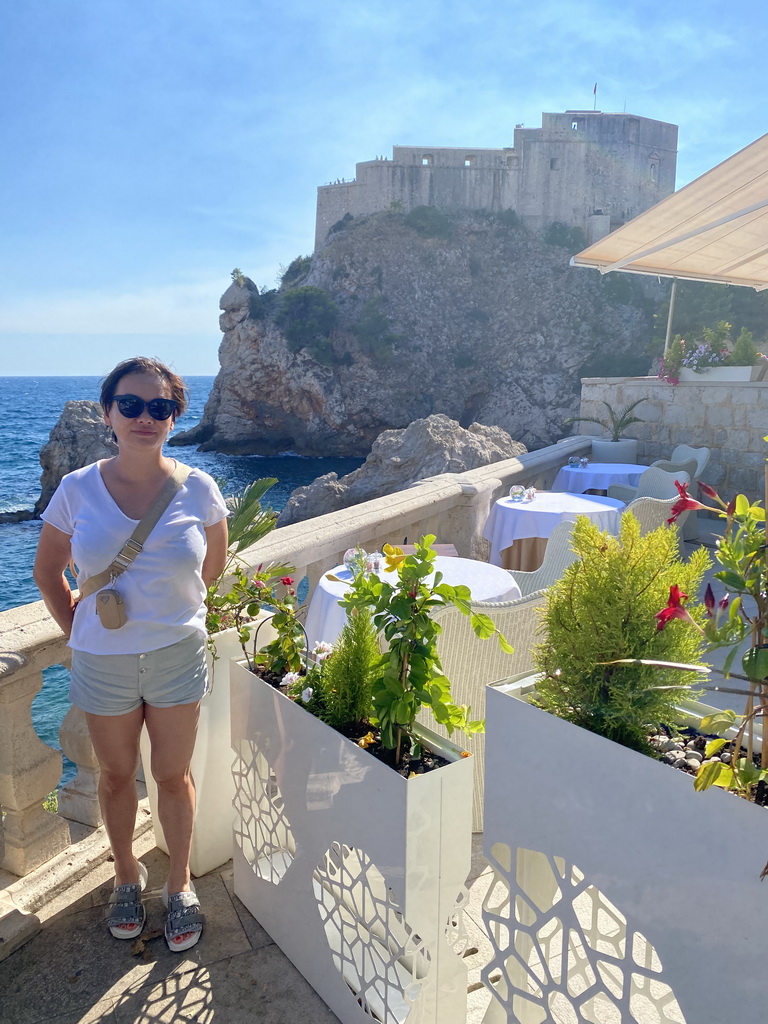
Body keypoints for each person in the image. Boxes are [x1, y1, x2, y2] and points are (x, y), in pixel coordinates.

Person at [33, 357, 229, 952]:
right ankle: (125, 875)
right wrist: (81, 631)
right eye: (132, 405)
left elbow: (212, 568)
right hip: (103, 662)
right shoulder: (76, 489)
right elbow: (47, 573)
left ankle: (178, 885)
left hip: (175, 653)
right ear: (108, 413)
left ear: (175, 416)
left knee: (172, 776)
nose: (146, 417)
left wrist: (174, 611)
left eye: (161, 407)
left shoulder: (199, 488)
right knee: (117, 776)